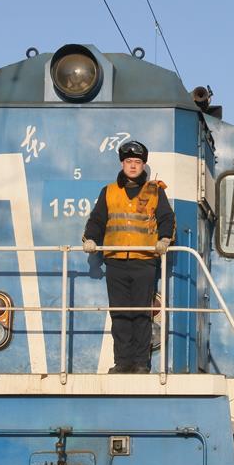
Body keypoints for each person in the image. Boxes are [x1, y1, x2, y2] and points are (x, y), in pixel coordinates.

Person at [82, 140, 176, 373]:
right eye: (128, 162)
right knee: (120, 313)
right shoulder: (109, 191)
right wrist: (90, 239)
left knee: (142, 313)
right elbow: (97, 219)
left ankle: (141, 363)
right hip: (115, 261)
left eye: (137, 162)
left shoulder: (155, 191)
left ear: (143, 165)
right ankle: (122, 362)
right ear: (122, 164)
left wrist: (165, 239)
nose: (133, 166)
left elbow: (167, 218)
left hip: (143, 260)